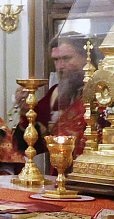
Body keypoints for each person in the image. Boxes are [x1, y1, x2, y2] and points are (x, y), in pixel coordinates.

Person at [37, 35, 90, 169]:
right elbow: (30, 144)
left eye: (66, 59)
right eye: (56, 60)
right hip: (60, 175)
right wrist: (26, 110)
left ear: (86, 56)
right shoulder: (55, 94)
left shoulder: (104, 90)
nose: (60, 67)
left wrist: (76, 138)